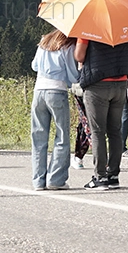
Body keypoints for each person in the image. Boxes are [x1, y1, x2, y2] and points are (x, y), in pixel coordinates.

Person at [76, 33, 128, 190]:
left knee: (98, 131)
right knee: (115, 131)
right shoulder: (123, 30)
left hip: (97, 85)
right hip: (120, 83)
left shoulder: (88, 30)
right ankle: (113, 175)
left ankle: (99, 176)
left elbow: (79, 56)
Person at [30, 29, 80, 190]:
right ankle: (55, 179)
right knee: (62, 136)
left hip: (38, 91)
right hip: (57, 91)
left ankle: (38, 180)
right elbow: (73, 76)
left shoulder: (44, 41)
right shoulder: (67, 45)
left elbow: (34, 66)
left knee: (38, 137)